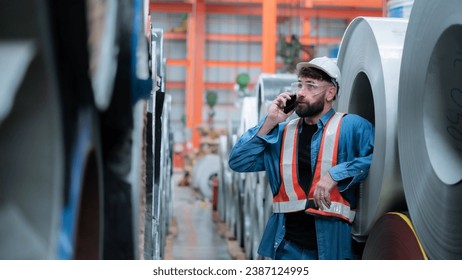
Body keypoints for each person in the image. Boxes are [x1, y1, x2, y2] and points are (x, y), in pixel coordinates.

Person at [228, 56, 374, 260]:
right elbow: (238, 162)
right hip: (288, 247)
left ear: (330, 93)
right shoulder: (281, 134)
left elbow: (378, 161)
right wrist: (270, 121)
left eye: (311, 86)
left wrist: (335, 174)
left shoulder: (352, 127)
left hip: (331, 247)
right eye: (299, 85)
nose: (301, 93)